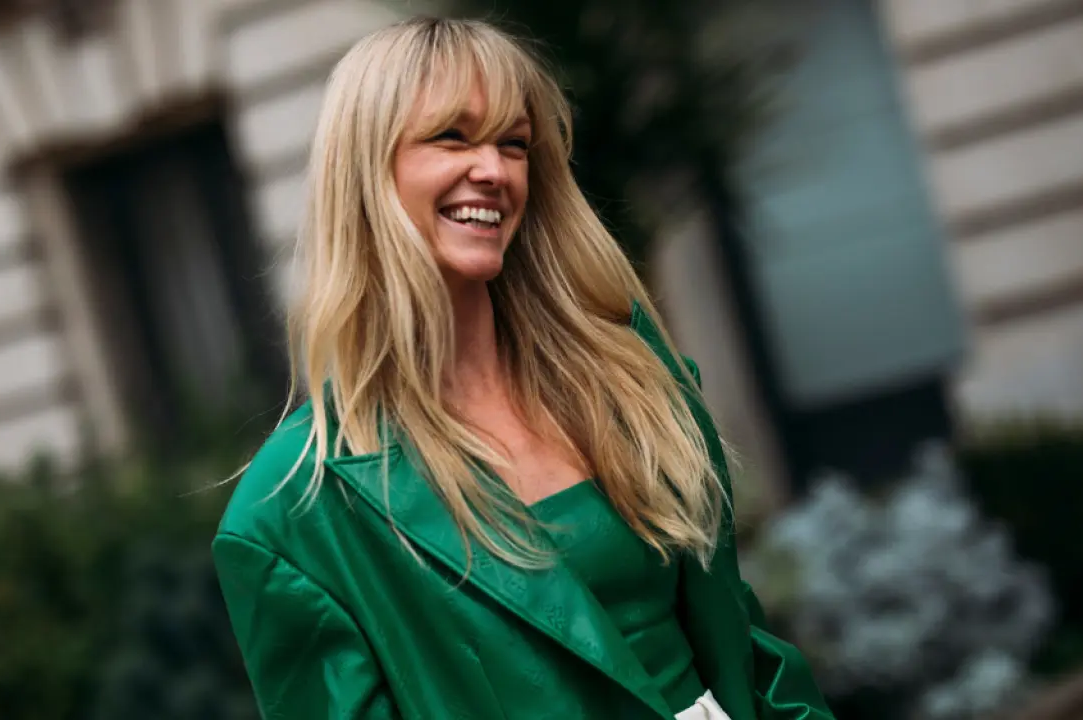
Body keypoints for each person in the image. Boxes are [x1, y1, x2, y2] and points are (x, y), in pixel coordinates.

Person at [213, 16, 834, 720]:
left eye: (513, 144)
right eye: (453, 136)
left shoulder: (624, 374)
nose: (494, 170)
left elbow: (742, 648)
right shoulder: (289, 512)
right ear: (366, 171)